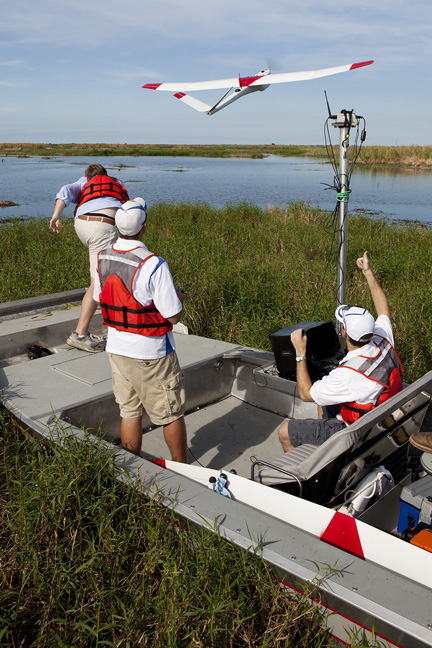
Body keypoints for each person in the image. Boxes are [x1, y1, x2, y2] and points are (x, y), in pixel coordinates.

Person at [278, 251, 403, 452]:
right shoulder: (383, 340)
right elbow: (383, 310)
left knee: (285, 431)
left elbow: (305, 394)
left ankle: (301, 475)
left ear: (344, 332)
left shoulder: (347, 375)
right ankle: (322, 449)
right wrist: (367, 271)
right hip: (376, 417)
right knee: (323, 398)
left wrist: (300, 353)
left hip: (355, 432)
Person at [93, 198, 188, 462]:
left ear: (117, 226)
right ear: (143, 227)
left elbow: (102, 297)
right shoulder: (153, 264)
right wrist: (178, 298)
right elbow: (173, 317)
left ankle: (131, 468)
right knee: (171, 413)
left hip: (116, 349)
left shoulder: (102, 257)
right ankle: (184, 470)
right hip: (151, 353)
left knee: (129, 411)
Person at [49, 163, 129, 352]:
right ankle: (81, 334)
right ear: (105, 175)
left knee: (101, 278)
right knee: (102, 282)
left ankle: (99, 330)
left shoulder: (83, 183)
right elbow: (128, 210)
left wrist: (56, 216)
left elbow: (64, 193)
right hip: (102, 228)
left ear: (87, 177)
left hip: (83, 226)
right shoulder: (116, 182)